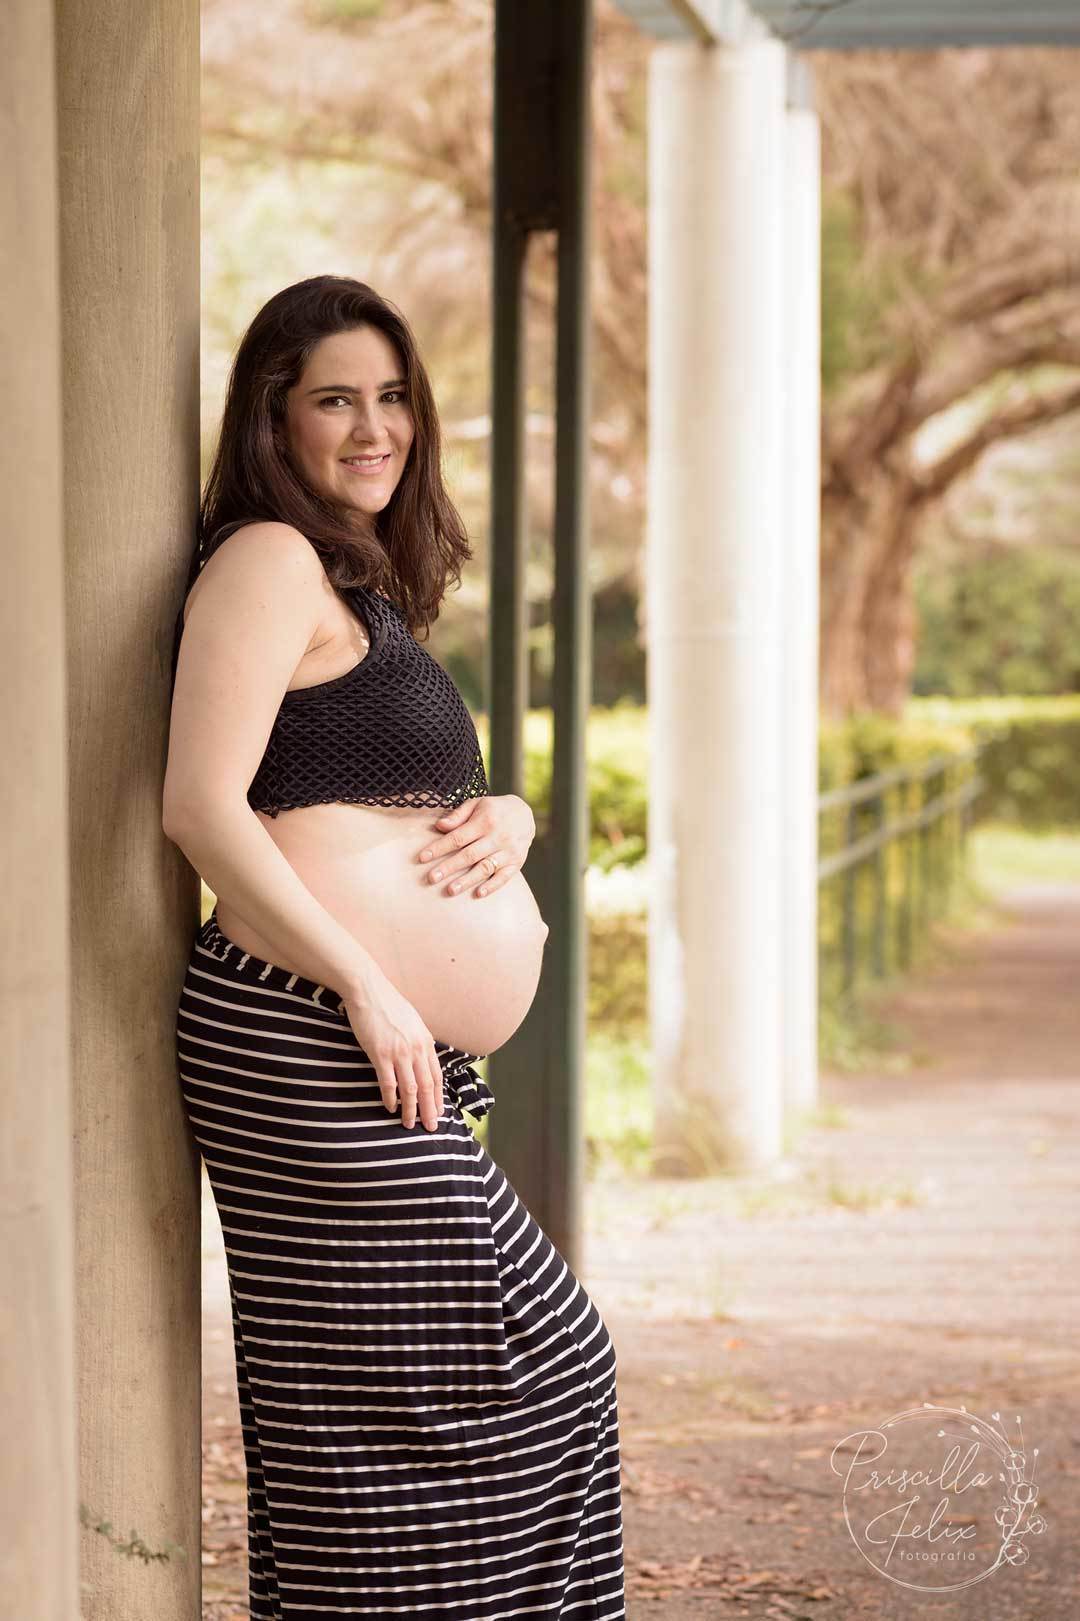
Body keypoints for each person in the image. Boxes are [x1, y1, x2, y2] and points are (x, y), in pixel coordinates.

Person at [163, 274, 625, 1619]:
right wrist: (369, 979)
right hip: (300, 1028)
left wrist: (512, 814)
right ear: (273, 417)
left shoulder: (351, 581)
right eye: (335, 400)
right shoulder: (266, 559)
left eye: (393, 395)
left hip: (349, 1033)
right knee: (523, 1363)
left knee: (392, 1412)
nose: (374, 427)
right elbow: (200, 800)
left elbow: (385, 784)